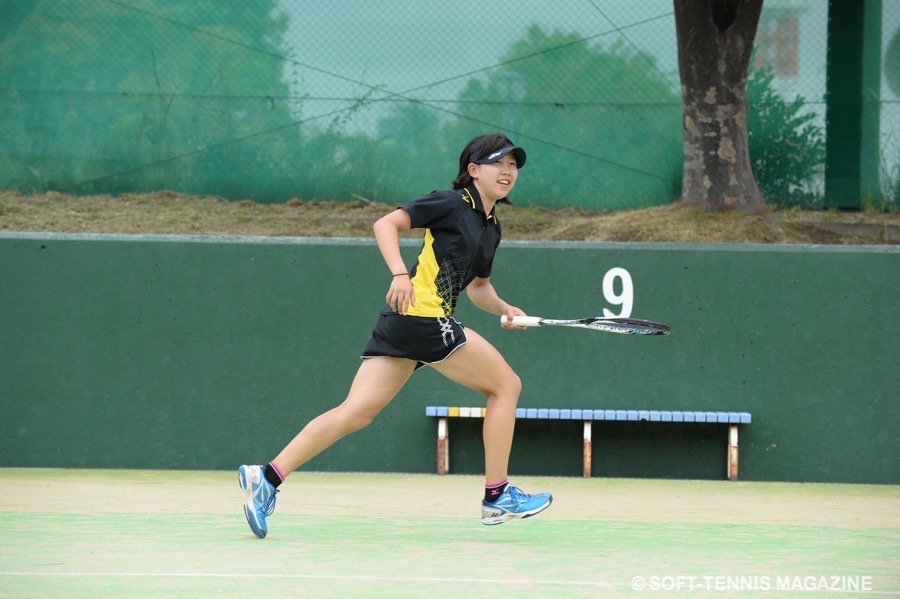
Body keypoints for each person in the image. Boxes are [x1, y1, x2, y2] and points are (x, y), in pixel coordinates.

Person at [238, 133, 552, 538]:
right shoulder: (450, 202)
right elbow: (385, 223)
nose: (508, 171)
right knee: (506, 386)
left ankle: (266, 478)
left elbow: (477, 289)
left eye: (513, 165)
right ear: (473, 171)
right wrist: (399, 273)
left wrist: (505, 309)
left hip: (406, 322)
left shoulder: (491, 228)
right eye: (498, 164)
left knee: (356, 412)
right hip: (422, 317)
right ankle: (497, 495)